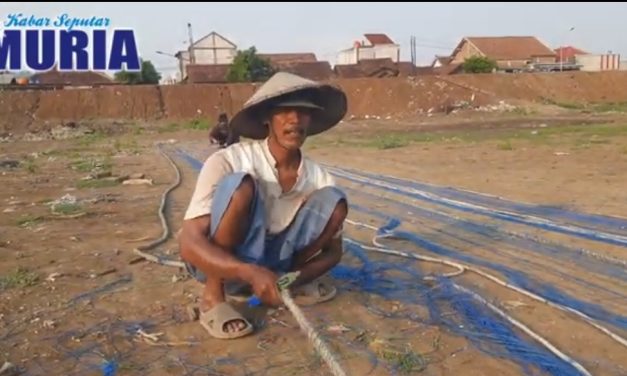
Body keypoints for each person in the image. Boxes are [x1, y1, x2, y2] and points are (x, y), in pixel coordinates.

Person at [179, 72, 348, 339]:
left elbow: (333, 254)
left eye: (303, 111)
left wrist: (293, 277)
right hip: (222, 266)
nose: (294, 119)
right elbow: (188, 243)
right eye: (284, 111)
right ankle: (213, 297)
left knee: (335, 201)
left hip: (277, 267)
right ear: (266, 118)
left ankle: (282, 283)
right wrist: (248, 271)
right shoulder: (228, 160)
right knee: (241, 186)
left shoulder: (319, 178)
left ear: (311, 119)